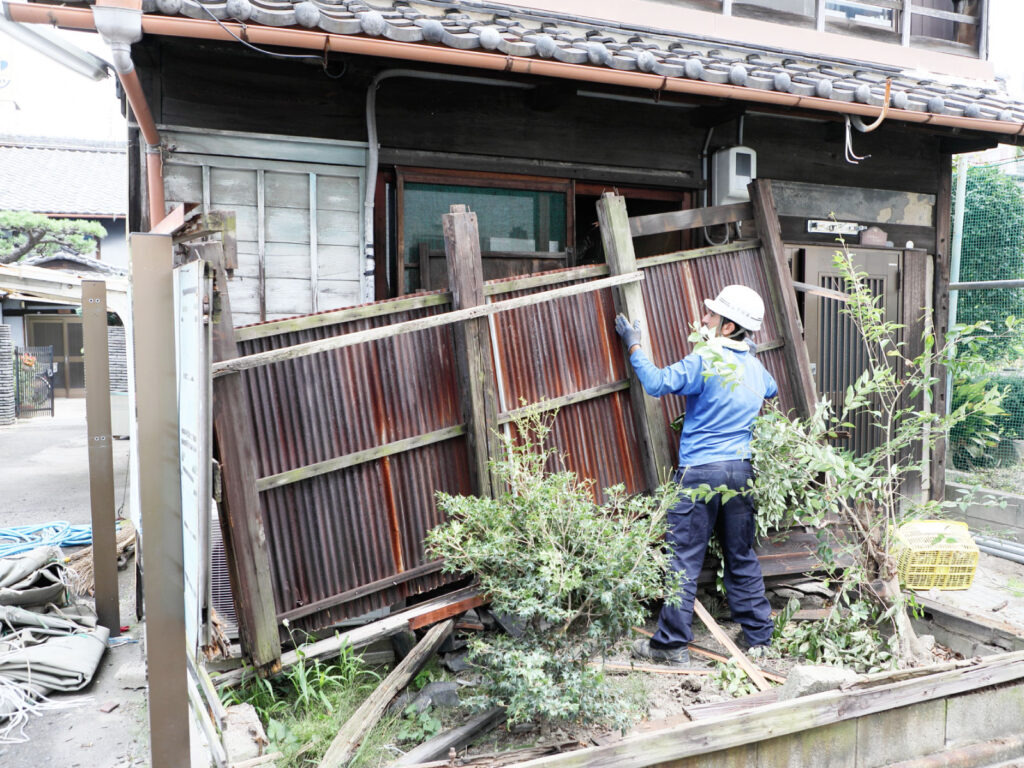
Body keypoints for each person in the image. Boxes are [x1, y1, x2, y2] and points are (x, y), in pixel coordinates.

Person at [615, 284, 776, 666]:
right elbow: (769, 391)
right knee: (740, 555)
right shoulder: (755, 370)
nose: (704, 318)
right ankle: (759, 639)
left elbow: (655, 383)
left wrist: (634, 345)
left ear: (727, 328)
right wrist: (746, 353)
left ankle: (670, 647)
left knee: (684, 559)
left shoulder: (704, 360)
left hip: (700, 474)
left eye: (712, 315)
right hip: (740, 472)